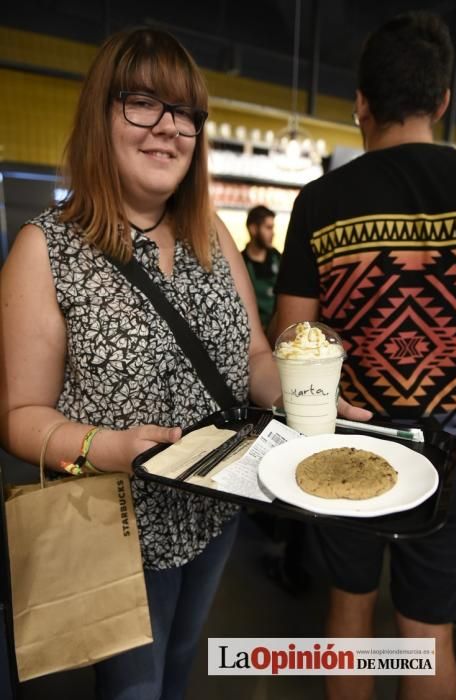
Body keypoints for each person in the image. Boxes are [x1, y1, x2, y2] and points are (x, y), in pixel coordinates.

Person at [0, 26, 369, 700]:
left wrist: (298, 396)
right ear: (99, 115)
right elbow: (20, 415)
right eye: (142, 103)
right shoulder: (45, 248)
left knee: (180, 666)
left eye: (185, 114)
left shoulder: (211, 234)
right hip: (115, 526)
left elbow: (256, 356)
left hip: (215, 511)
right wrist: (105, 446)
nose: (168, 128)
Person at [273, 11, 456, 700]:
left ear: (360, 104)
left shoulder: (321, 202)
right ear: (441, 101)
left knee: (347, 613)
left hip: (347, 434)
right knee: (427, 635)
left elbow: (293, 343)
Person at [241, 205, 281, 329]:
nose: (273, 233)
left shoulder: (279, 258)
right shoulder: (240, 263)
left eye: (273, 228)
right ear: (253, 229)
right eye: (268, 228)